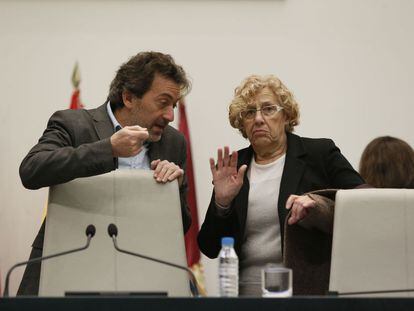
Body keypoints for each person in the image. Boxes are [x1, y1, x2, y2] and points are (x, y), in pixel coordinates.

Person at [18, 51, 192, 295]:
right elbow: (32, 170)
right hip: (67, 271)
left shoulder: (174, 142)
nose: (170, 115)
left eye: (173, 106)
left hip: (143, 279)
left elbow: (180, 228)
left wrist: (173, 192)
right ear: (129, 97)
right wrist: (107, 149)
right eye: (163, 103)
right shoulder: (73, 124)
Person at [197, 74, 365, 296]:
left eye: (268, 109)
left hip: (306, 295)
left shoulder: (319, 154)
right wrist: (222, 203)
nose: (257, 119)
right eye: (249, 112)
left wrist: (318, 202)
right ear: (242, 124)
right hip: (246, 295)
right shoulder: (235, 166)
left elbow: (364, 202)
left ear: (286, 115)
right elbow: (210, 247)